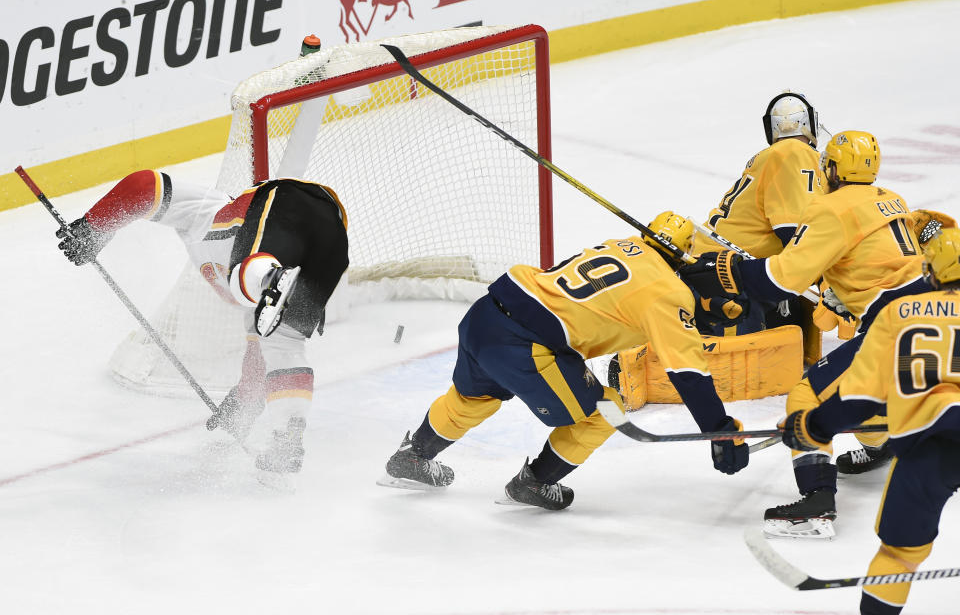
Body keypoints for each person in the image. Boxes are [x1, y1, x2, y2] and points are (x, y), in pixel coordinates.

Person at [379, 212, 750, 510]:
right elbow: (688, 373)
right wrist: (721, 429)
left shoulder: (622, 245)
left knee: (472, 399)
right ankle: (535, 483)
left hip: (485, 315)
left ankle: (412, 459)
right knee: (607, 410)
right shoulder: (667, 293)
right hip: (525, 344)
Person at [680, 131, 932, 537]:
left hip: (894, 326)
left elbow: (779, 282)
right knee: (864, 387)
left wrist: (726, 269)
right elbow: (876, 262)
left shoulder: (830, 209)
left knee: (809, 396)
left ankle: (816, 504)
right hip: (937, 318)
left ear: (830, 168)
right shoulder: (891, 198)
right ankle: (879, 438)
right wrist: (843, 292)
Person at [55, 170, 349, 477]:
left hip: (290, 202)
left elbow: (144, 185)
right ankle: (287, 440)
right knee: (283, 342)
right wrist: (246, 402)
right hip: (331, 238)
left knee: (246, 282)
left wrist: (94, 225)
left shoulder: (207, 209)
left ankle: (269, 275)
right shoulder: (260, 304)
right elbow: (259, 354)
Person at [779, 226, 960, 615]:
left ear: (930, 271)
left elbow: (860, 398)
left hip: (930, 446)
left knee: (898, 557)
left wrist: (814, 427)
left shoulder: (898, 314)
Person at [691, 91, 826, 335]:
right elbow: (794, 234)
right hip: (724, 278)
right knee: (750, 366)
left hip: (714, 268)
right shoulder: (794, 153)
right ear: (810, 124)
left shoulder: (775, 155)